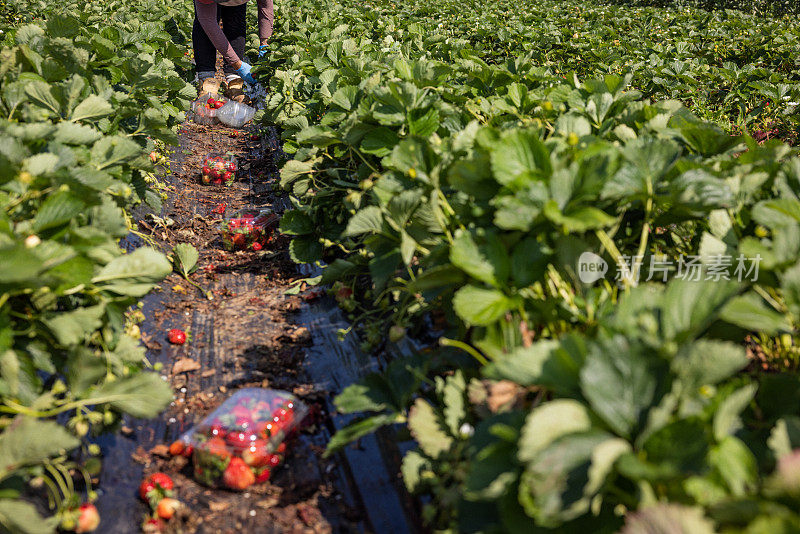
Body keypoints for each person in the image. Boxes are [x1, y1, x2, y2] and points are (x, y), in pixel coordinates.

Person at [193, 0, 274, 102]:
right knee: (204, 27)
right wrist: (238, 65)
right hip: (206, 6)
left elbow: (266, 6)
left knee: (236, 18)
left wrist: (265, 45)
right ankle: (206, 80)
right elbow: (207, 20)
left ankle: (234, 81)